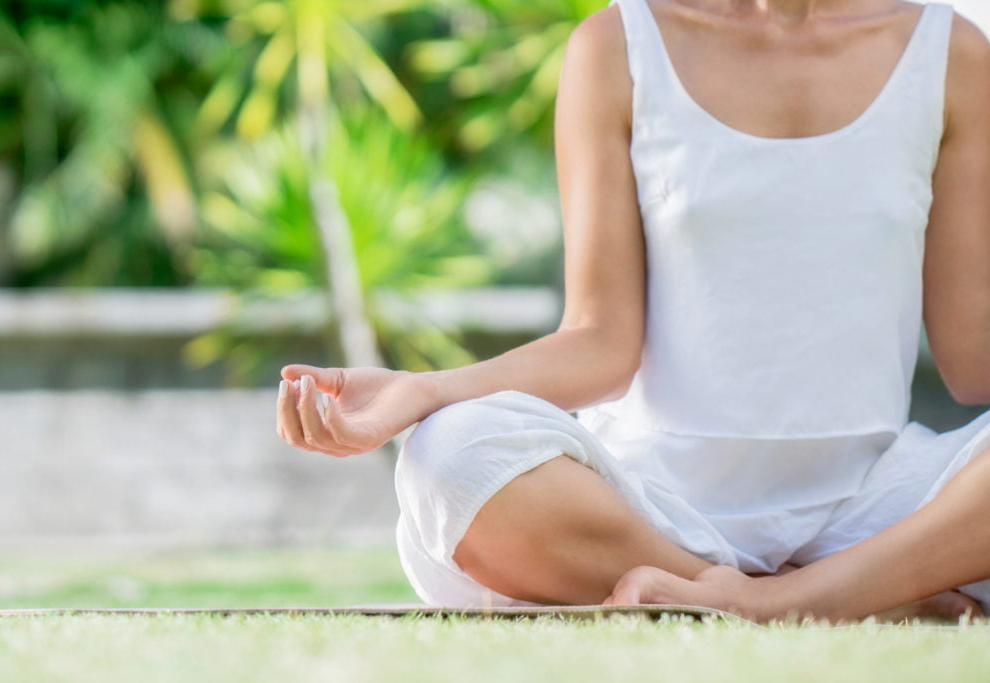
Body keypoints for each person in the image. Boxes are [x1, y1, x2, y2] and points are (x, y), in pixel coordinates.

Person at [276, 0, 990, 622]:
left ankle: (776, 600)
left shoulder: (952, 53)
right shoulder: (617, 46)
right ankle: (853, 596)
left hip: (869, 510)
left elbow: (971, 356)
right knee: (448, 455)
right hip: (651, 512)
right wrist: (423, 392)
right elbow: (600, 342)